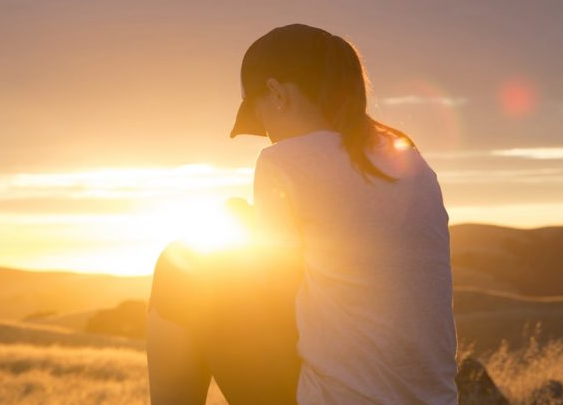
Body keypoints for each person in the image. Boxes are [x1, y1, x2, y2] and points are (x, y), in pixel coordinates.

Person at [146, 24, 459, 404]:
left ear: (277, 94)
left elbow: (274, 291)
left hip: (333, 397)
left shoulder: (284, 160)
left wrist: (246, 226)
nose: (268, 134)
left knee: (180, 264)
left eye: (260, 117)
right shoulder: (413, 162)